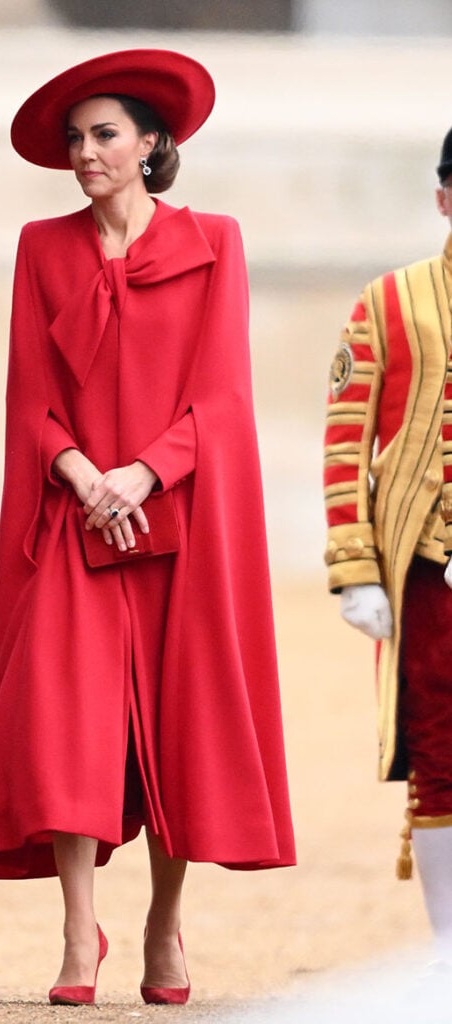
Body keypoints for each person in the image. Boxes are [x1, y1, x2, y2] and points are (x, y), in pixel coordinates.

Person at [0, 49, 295, 1005]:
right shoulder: (42, 246)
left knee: (179, 730)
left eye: (104, 134)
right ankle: (78, 932)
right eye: (75, 138)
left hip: (179, 518)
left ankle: (163, 925)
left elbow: (223, 397)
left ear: (152, 143)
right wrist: (83, 477)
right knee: (64, 719)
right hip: (75, 517)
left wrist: (142, 472)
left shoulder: (217, 241)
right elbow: (31, 396)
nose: (85, 152)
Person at [323, 125, 452, 965]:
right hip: (428, 572)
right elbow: (345, 439)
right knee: (441, 756)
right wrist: (354, 572)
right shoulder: (388, 300)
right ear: (444, 197)